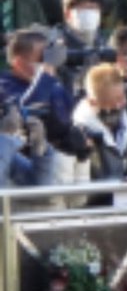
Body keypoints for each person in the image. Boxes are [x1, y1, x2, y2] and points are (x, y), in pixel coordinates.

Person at [0, 28, 89, 190]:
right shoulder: (4, 85)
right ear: (18, 62)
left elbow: (70, 118)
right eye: (42, 58)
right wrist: (47, 70)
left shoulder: (53, 85)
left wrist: (85, 82)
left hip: (61, 169)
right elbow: (25, 110)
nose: (49, 62)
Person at [71, 63, 127, 202]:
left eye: (123, 97)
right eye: (114, 101)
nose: (122, 104)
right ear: (93, 103)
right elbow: (81, 194)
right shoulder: (78, 135)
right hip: (101, 217)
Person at [0, 108, 54, 188]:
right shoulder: (4, 145)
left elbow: (39, 186)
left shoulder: (6, 149)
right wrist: (6, 136)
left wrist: (39, 145)